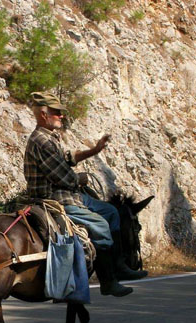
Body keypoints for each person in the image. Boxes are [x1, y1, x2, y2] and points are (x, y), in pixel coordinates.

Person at [24, 91, 147, 297]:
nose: (61, 116)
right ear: (44, 115)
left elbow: (68, 157)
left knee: (112, 212)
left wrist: (94, 150)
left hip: (70, 195)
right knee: (101, 225)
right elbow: (63, 178)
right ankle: (108, 281)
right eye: (57, 113)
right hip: (56, 198)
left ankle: (120, 265)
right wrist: (80, 179)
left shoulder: (49, 138)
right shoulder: (41, 141)